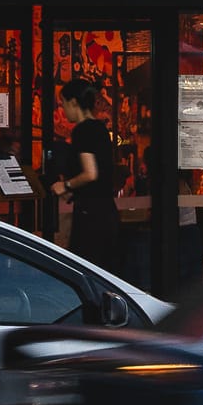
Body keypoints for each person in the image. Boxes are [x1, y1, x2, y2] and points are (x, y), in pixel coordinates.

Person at [51, 78, 121, 272]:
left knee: (87, 271)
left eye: (63, 103)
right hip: (107, 211)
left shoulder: (82, 130)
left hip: (91, 216)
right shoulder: (99, 128)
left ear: (74, 102)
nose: (63, 110)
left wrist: (65, 186)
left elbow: (90, 173)